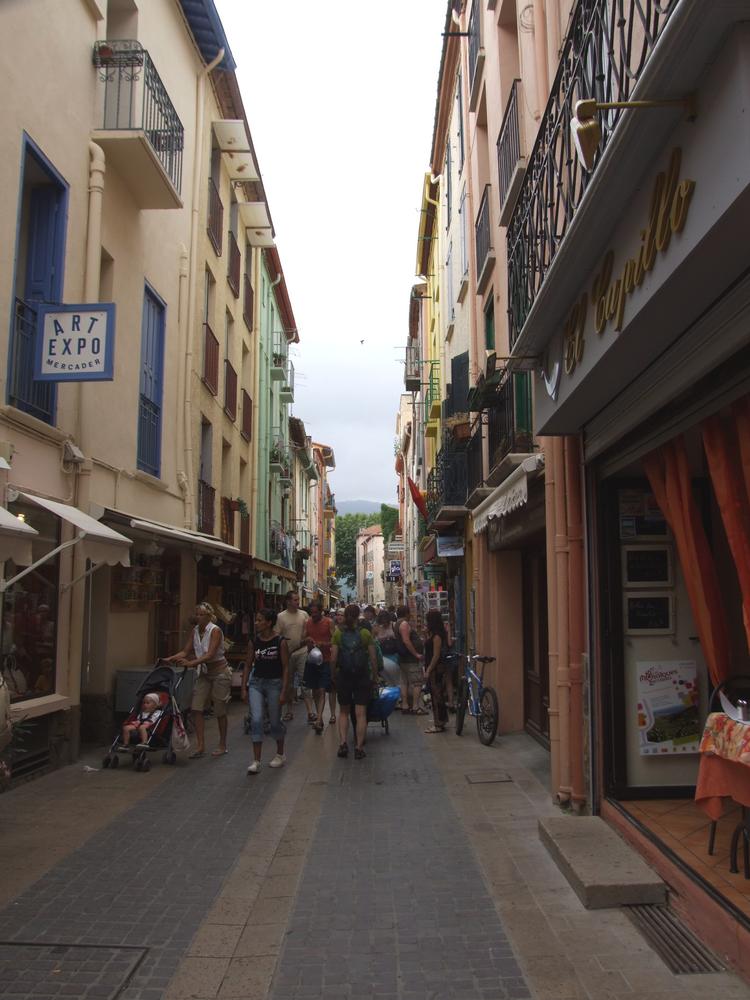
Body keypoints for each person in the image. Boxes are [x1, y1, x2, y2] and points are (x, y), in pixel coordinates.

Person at [165, 602, 232, 758]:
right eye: (197, 614)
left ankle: (222, 744)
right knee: (196, 708)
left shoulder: (215, 631)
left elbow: (209, 654)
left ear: (209, 616)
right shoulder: (195, 630)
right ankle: (200, 746)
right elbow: (185, 651)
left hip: (219, 672)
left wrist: (191, 663)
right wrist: (169, 658)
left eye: (202, 615)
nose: (199, 617)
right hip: (204, 673)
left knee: (219, 709)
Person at [242, 609, 289, 774]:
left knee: (275, 721)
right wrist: (244, 687)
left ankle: (280, 754)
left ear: (268, 622)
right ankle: (256, 760)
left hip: (274, 684)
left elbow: (286, 667)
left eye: (259, 620)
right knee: (256, 719)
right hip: (256, 683)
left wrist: (284, 690)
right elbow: (248, 664)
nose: (256, 623)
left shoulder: (280, 642)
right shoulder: (254, 642)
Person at [330, 603, 377, 760]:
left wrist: (333, 676)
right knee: (361, 713)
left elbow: (333, 658)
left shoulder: (338, 634)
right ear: (358, 616)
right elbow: (373, 658)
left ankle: (343, 743)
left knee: (343, 712)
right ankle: (358, 747)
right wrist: (375, 677)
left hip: (344, 676)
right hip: (362, 676)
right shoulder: (365, 633)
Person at [275, 591, 309, 722]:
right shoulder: (281, 617)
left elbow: (307, 631)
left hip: (302, 652)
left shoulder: (304, 615)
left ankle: (310, 711)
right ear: (288, 601)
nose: (298, 602)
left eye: (298, 600)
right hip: (287, 654)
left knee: (304, 682)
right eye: (295, 600)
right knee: (287, 683)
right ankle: (289, 711)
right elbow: (277, 635)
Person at [302, 602, 334, 734]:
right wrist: (307, 640)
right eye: (312, 613)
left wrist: (324, 644)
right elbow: (302, 639)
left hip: (325, 660)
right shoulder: (308, 623)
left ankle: (319, 718)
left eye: (315, 612)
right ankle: (319, 717)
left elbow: (335, 640)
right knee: (315, 690)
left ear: (321, 611)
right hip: (312, 660)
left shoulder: (328, 622)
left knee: (321, 690)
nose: (313, 615)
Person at [395, 604, 425, 715]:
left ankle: (405, 705)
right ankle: (415, 706)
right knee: (417, 682)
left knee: (404, 682)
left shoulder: (397, 623)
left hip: (403, 659)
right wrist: (416, 654)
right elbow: (406, 641)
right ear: (406, 613)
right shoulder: (403, 624)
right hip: (410, 659)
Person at [423, 611, 449, 733]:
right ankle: (440, 721)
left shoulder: (437, 636)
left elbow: (436, 655)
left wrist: (429, 669)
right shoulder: (434, 634)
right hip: (435, 668)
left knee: (437, 696)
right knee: (437, 696)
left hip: (435, 669)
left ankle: (438, 723)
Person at [373, 610, 400, 686]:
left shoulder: (394, 625)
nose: (384, 623)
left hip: (394, 655)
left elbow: (399, 638)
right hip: (382, 655)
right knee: (386, 679)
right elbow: (374, 641)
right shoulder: (377, 627)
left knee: (396, 677)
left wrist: (392, 637)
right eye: (382, 622)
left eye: (386, 621)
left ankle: (398, 691)